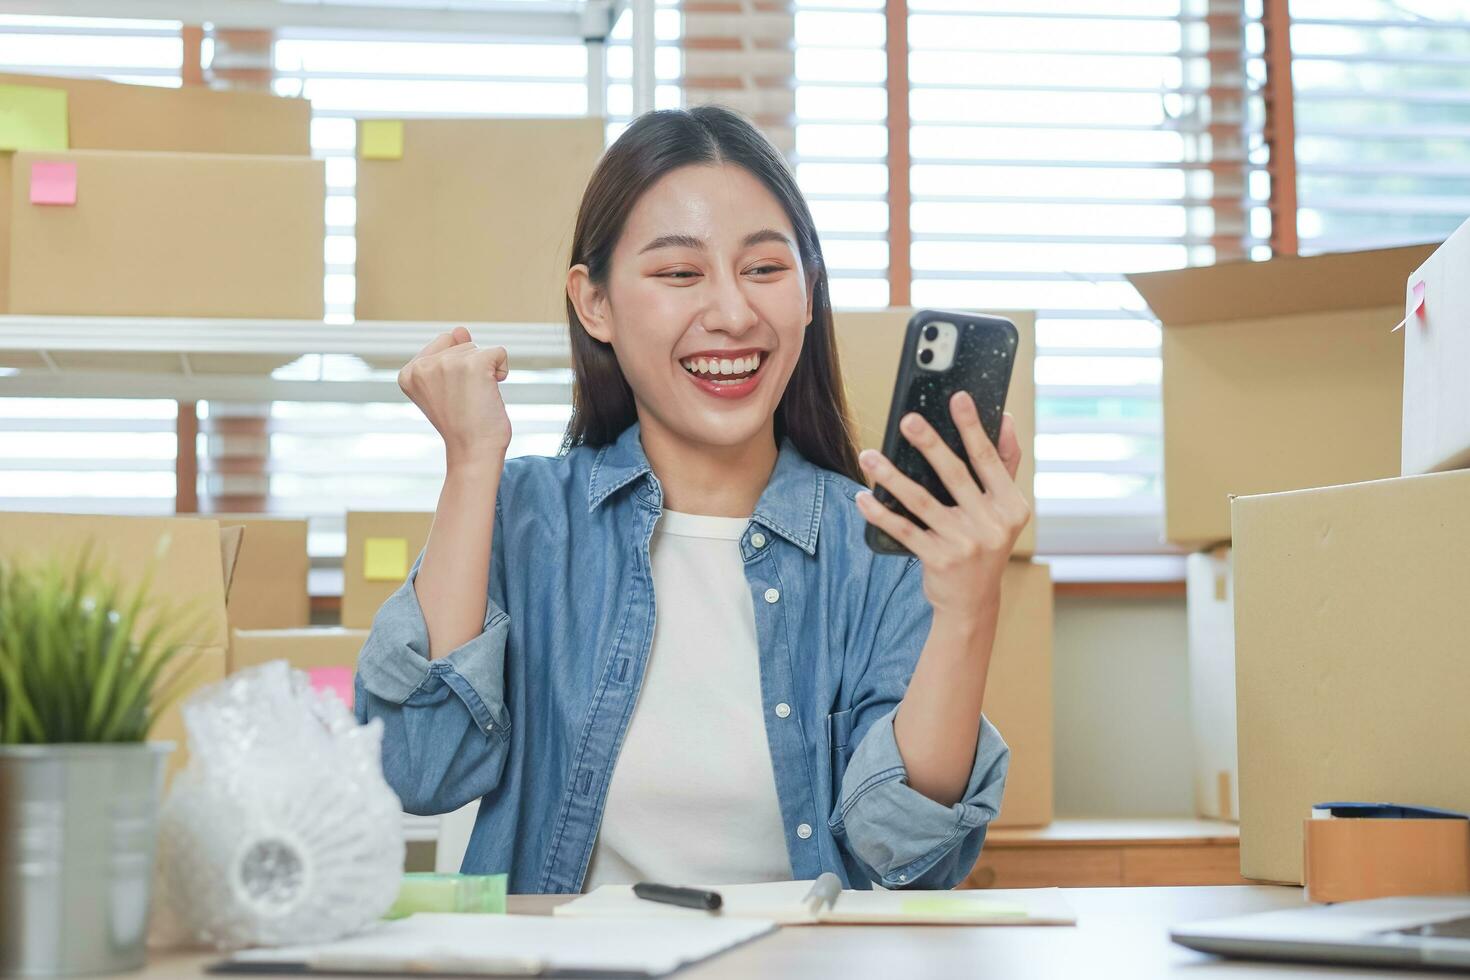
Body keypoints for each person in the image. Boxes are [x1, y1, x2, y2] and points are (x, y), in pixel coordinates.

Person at [354, 105, 1030, 894]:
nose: (734, 313)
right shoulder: (526, 516)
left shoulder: (879, 543)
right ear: (593, 303)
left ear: (809, 294)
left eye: (766, 269)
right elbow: (417, 769)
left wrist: (969, 610)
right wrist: (471, 464)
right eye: (680, 273)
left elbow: (906, 856)